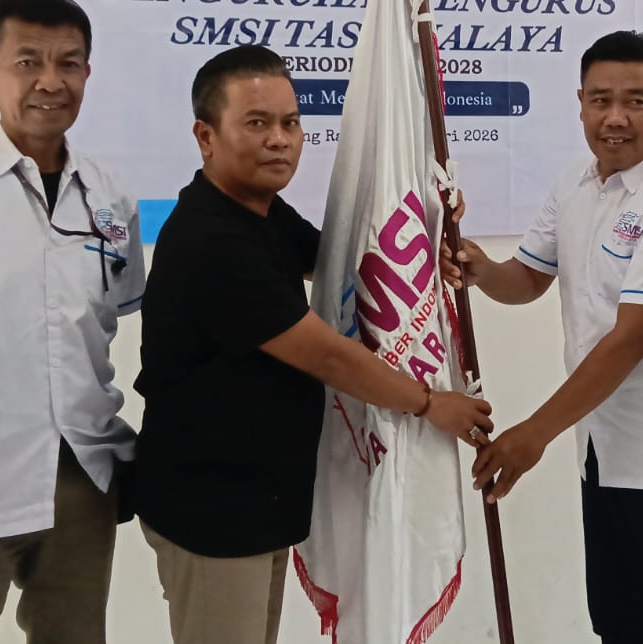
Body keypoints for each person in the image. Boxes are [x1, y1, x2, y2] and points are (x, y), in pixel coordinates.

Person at [131, 44, 493, 644]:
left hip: (259, 498)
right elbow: (326, 354)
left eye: (290, 122)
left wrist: (427, 224)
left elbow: (345, 258)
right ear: (205, 136)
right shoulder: (210, 239)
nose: (280, 140)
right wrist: (429, 403)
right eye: (257, 123)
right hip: (211, 508)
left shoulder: (261, 213)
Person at [451, 30, 643, 644]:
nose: (616, 117)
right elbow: (527, 278)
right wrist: (481, 269)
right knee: (621, 624)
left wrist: (534, 434)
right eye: (600, 99)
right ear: (581, 103)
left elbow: (632, 339)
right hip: (604, 453)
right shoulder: (575, 185)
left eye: (636, 101)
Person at [0, 0, 145, 644]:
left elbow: (113, 312)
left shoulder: (109, 194)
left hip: (80, 470)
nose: (51, 82)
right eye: (28, 62)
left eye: (69, 63)